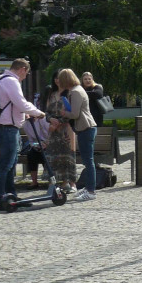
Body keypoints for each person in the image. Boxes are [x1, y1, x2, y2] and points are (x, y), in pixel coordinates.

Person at [0, 59, 45, 211]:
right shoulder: (11, 81)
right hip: (7, 128)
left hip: (3, 126)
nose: (26, 76)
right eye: (26, 73)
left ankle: (10, 196)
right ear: (22, 69)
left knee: (10, 164)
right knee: (6, 165)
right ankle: (0, 199)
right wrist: (38, 112)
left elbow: (11, 105)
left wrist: (24, 115)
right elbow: (21, 103)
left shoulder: (1, 79)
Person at [58, 69, 98, 202]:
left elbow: (75, 114)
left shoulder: (75, 92)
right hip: (86, 127)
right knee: (88, 160)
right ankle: (88, 187)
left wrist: (64, 113)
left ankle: (91, 190)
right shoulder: (78, 89)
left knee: (88, 161)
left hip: (86, 127)